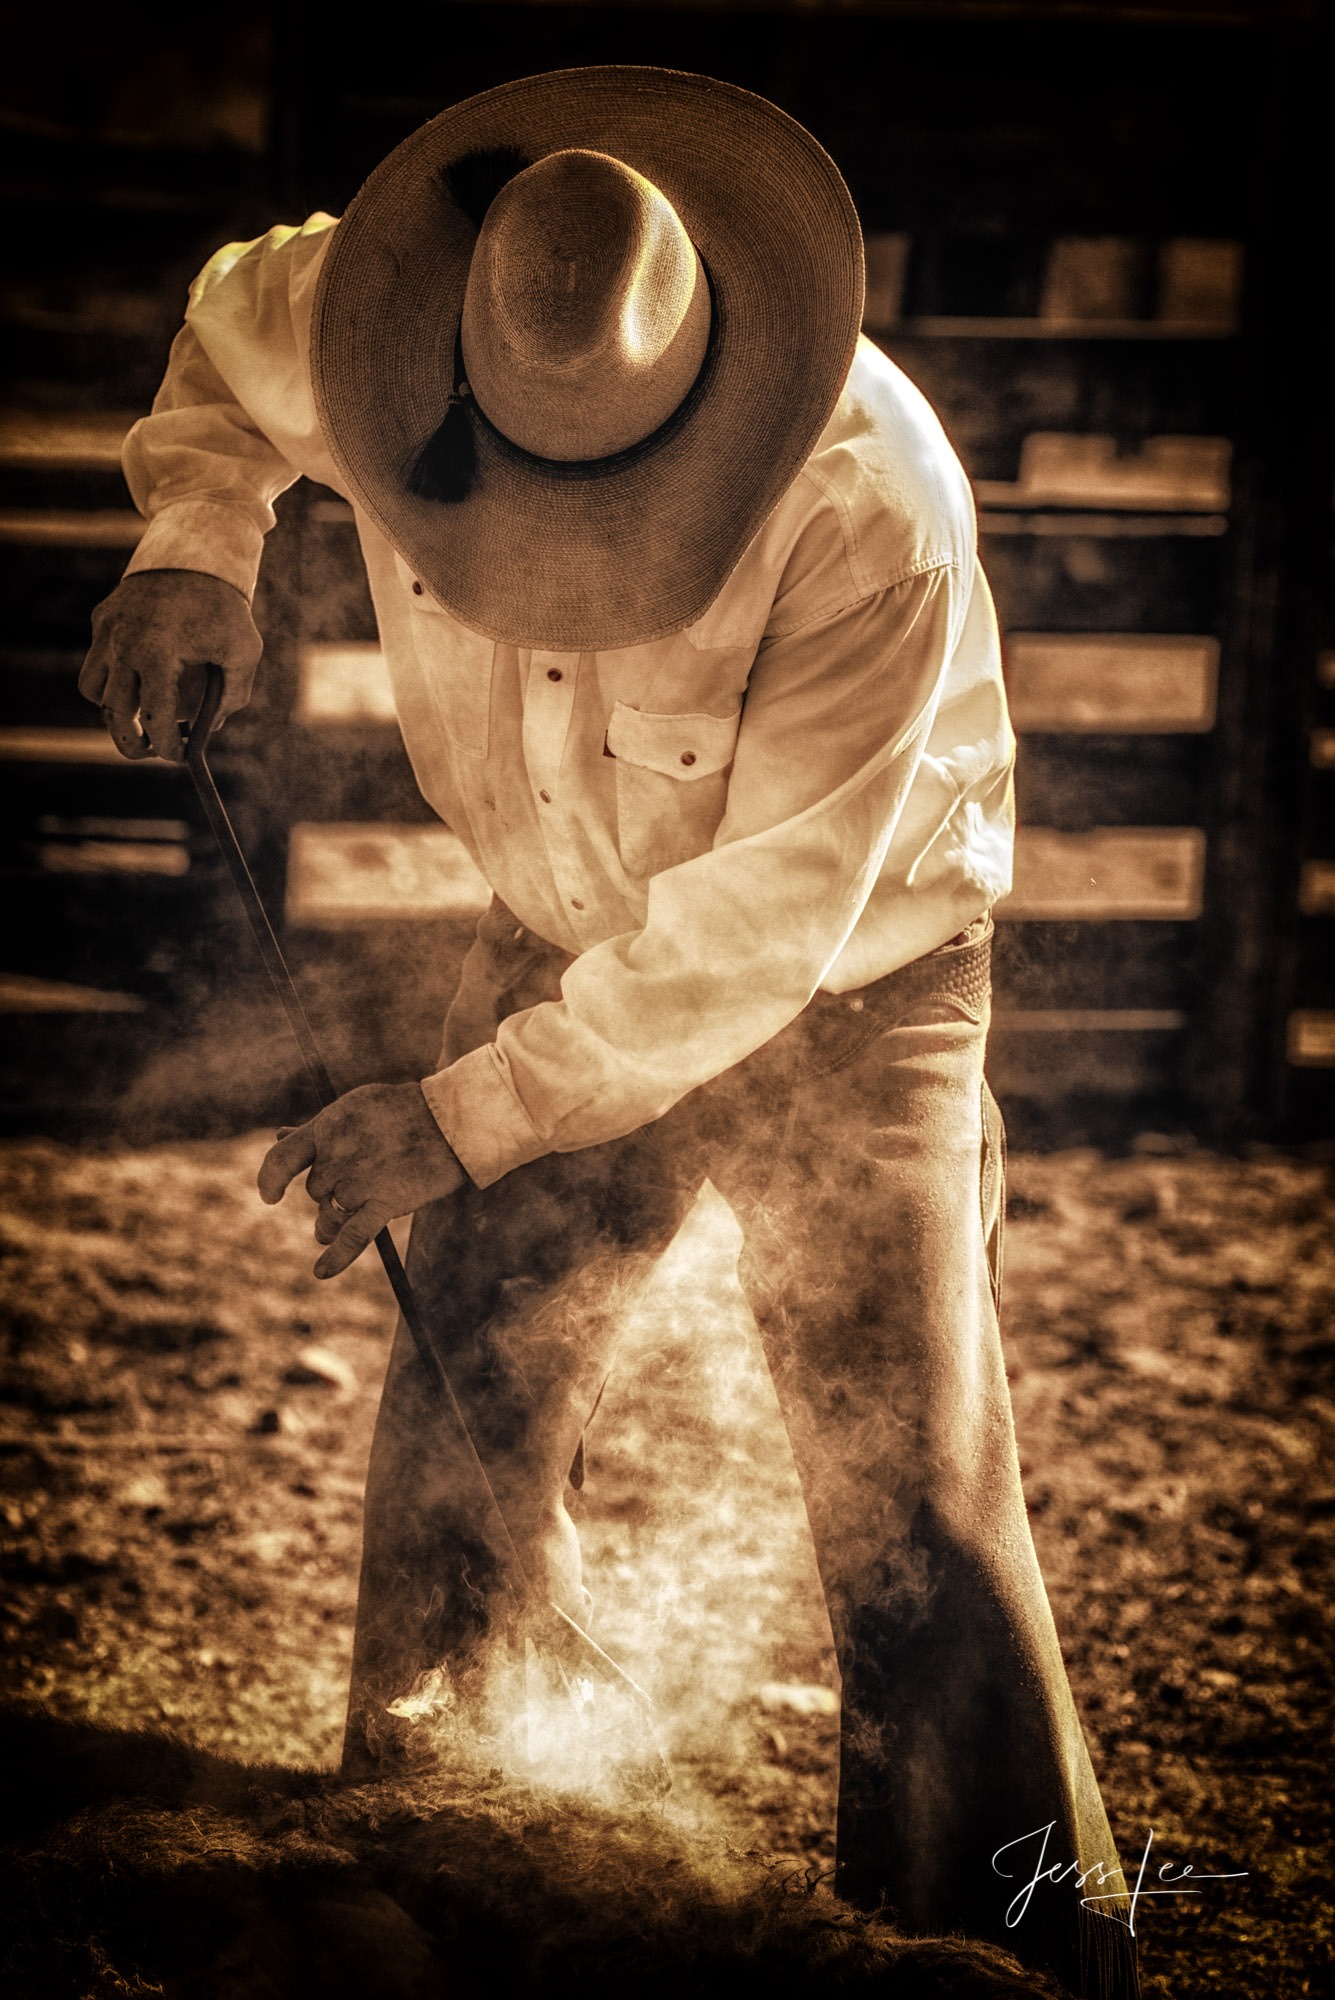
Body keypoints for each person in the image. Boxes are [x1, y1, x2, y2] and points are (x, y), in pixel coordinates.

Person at [79, 66, 1138, 1998]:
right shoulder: (373, 314)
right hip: (564, 921)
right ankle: (434, 1859)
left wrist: (462, 1111)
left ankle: (1015, 1953)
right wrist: (195, 548)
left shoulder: (868, 497)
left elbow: (752, 939)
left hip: (861, 969)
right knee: (467, 1381)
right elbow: (227, 353)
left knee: (910, 1470)